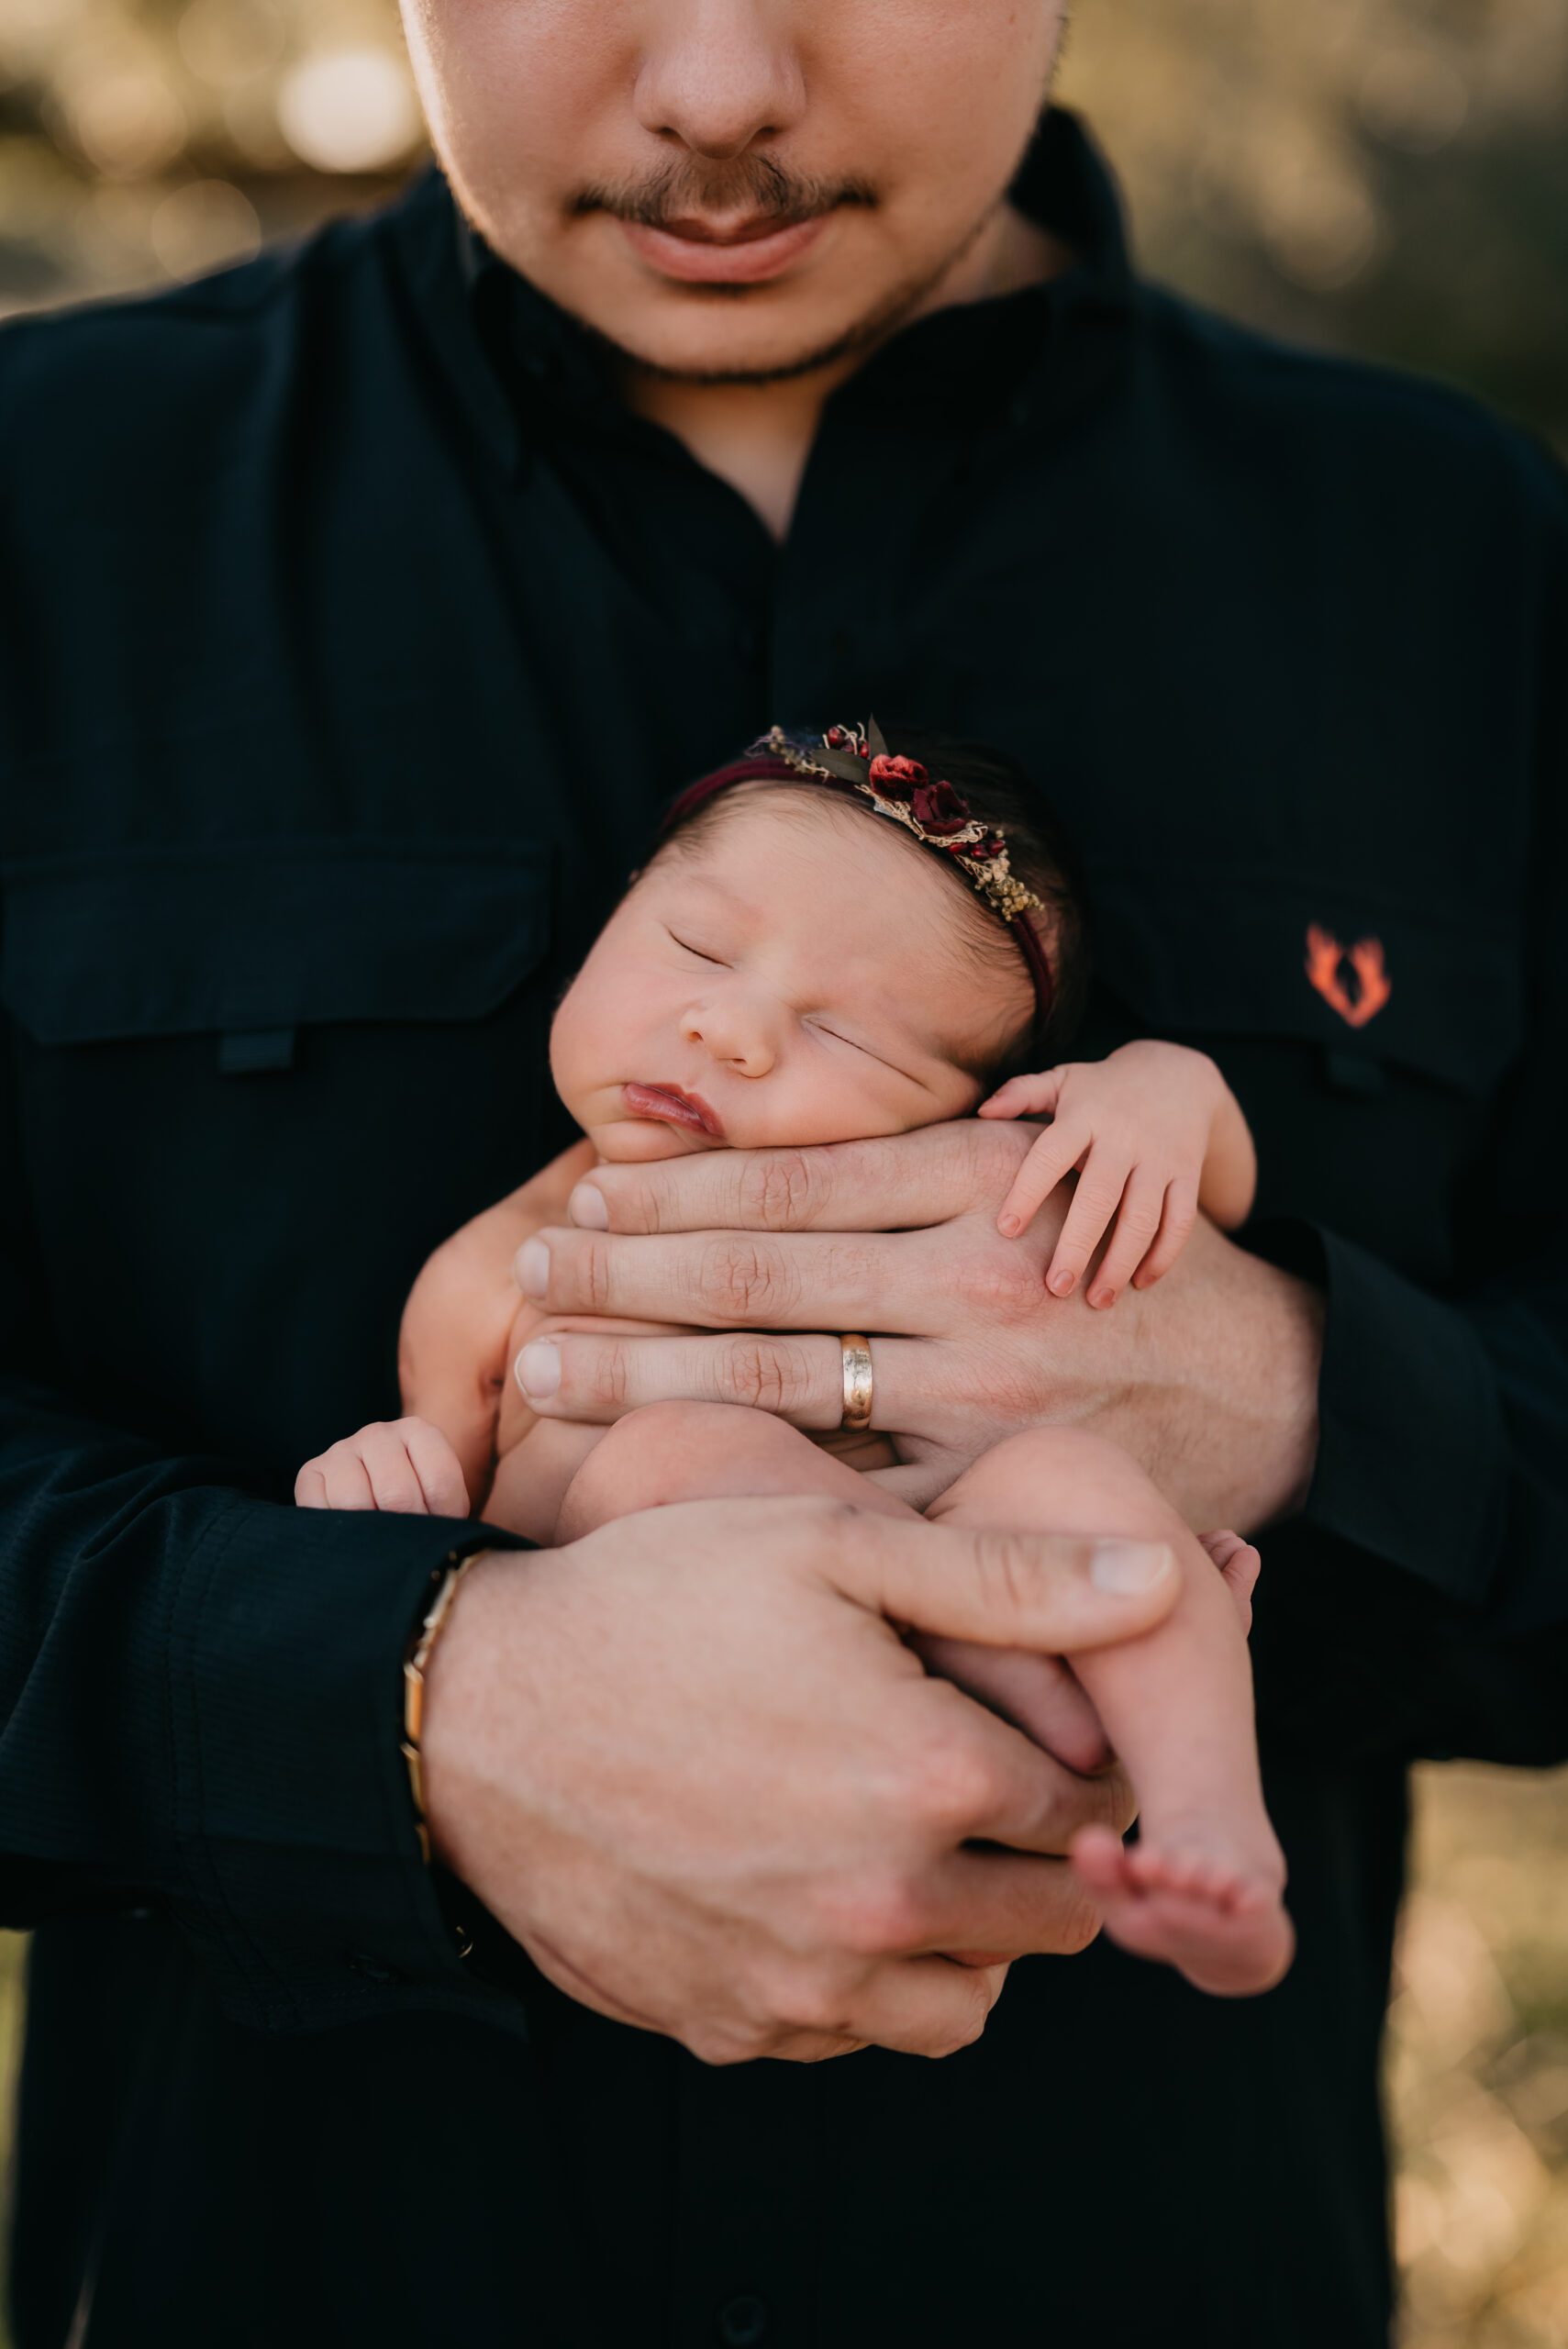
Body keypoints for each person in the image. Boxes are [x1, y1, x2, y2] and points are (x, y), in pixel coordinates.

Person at [0, 3, 1563, 2342]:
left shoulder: (1464, 554)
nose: (719, 88)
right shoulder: (44, 504)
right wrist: (412, 1708)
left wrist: (1322, 1395)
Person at [305, 723, 1290, 1996]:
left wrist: (1160, 1093)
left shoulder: (917, 1220)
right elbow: (440, 1500)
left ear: (961, 1108)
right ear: (618, 910)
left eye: (853, 1039)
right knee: (662, 1450)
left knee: (1071, 1482)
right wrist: (379, 1482)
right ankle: (1047, 1681)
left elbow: (1213, 1192)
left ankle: (1214, 1832)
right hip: (692, 1688)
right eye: (696, 949)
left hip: (934, 1540)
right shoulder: (497, 1269)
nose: (733, 1031)